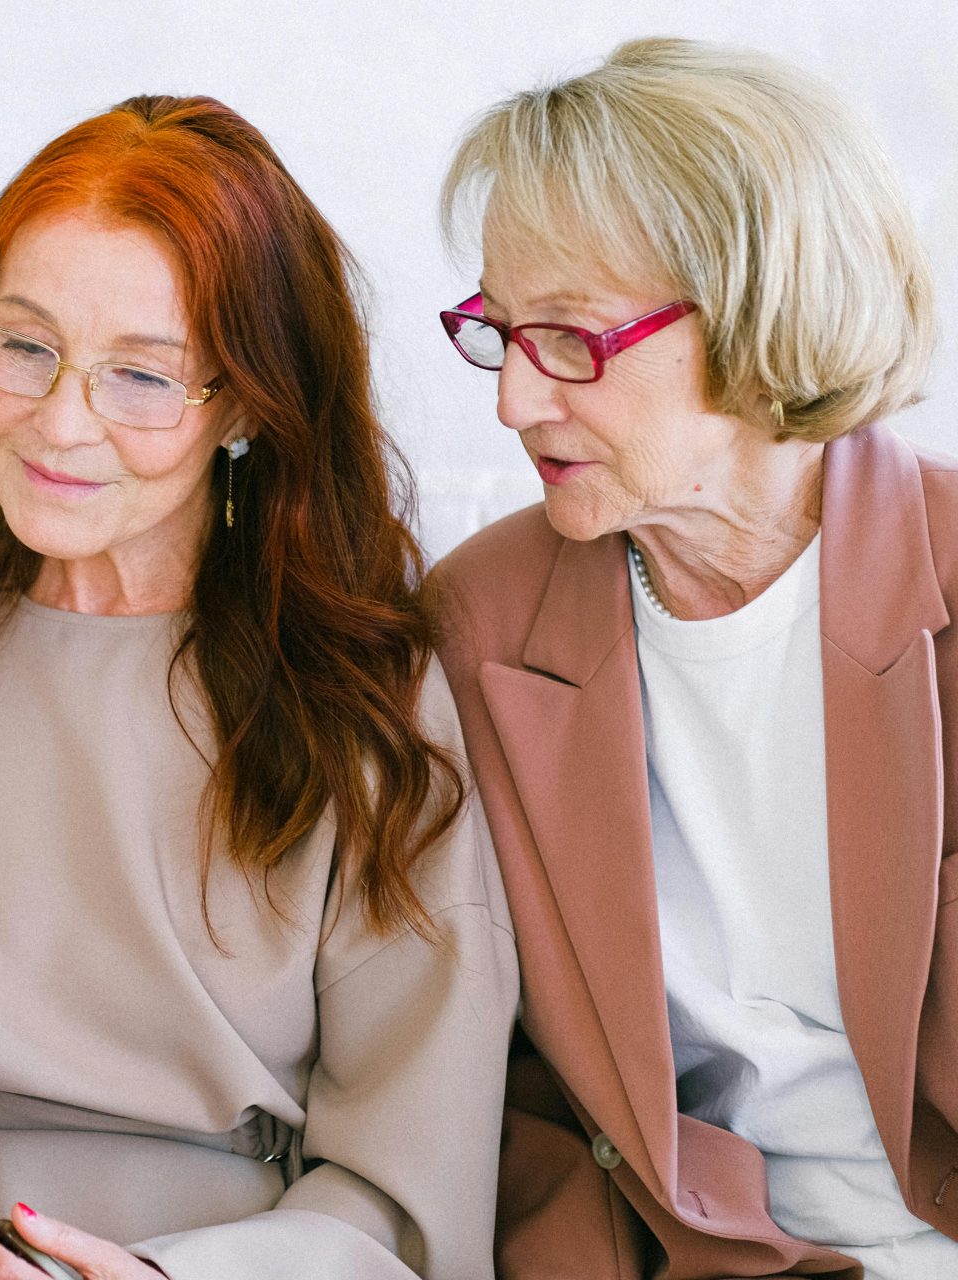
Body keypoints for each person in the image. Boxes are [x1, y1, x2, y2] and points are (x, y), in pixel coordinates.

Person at [0, 95, 517, 1280]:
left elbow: (410, 1188)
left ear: (246, 409)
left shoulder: (363, 702)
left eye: (142, 377)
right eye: (24, 347)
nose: (61, 421)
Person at [426, 37, 955, 1279]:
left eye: (569, 338)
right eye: (498, 332)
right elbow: (490, 1081)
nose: (512, 400)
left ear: (766, 307)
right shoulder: (478, 628)